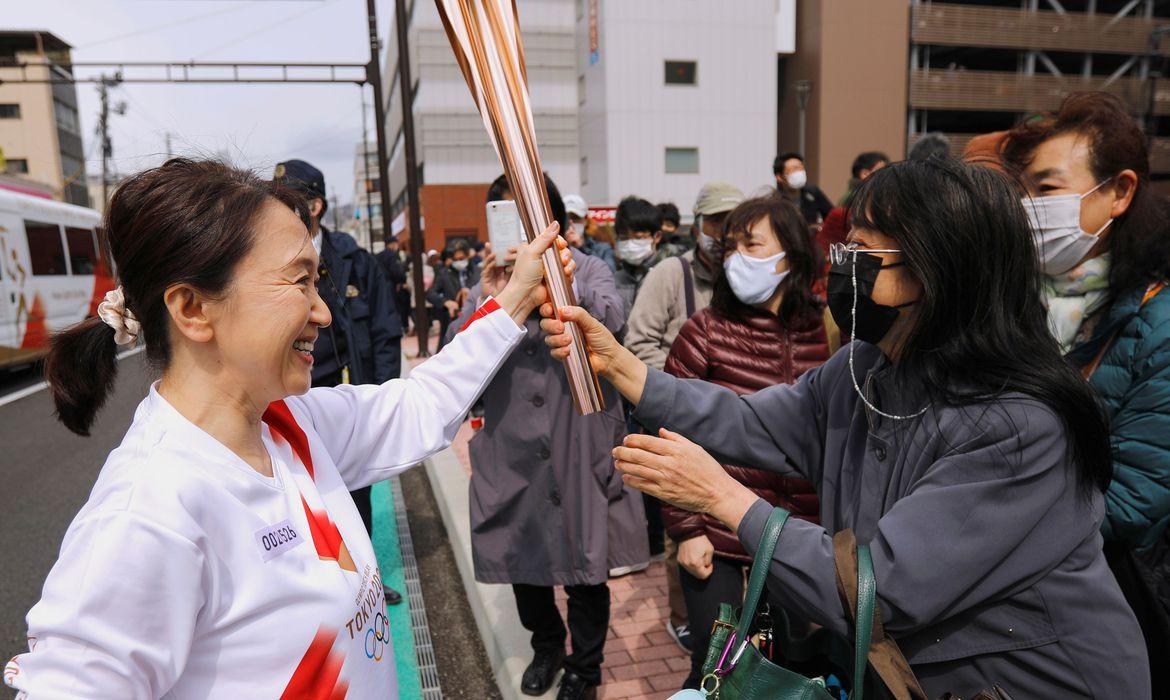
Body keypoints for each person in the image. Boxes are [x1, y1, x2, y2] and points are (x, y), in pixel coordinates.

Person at [541, 158, 1149, 699]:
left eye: (864, 254)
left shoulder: (1019, 426)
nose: (843, 270)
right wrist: (622, 366)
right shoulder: (865, 367)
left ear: (941, 271)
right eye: (844, 251)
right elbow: (753, 419)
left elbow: (879, 592)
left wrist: (723, 498)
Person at [6, 158, 573, 698]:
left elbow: (418, 405)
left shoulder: (288, 425)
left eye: (317, 280)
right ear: (193, 309)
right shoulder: (147, 515)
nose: (322, 311)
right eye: (298, 282)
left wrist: (516, 295)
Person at [447, 174, 647, 700]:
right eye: (501, 214)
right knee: (523, 562)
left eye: (521, 213)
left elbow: (611, 316)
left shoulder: (589, 269)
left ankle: (585, 667)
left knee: (587, 566)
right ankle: (547, 646)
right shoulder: (489, 279)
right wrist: (489, 301)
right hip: (513, 450)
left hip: (579, 442)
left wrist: (559, 284)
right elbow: (456, 364)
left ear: (547, 218)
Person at [1003, 91, 1170, 693]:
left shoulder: (1158, 321)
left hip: (1103, 598)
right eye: (1024, 191)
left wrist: (996, 537)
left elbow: (1137, 496)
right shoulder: (1015, 304)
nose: (1029, 209)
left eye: (1046, 190)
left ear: (1120, 192)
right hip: (1012, 600)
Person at [662, 194, 829, 689]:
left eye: (751, 245)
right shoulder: (704, 331)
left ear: (791, 256)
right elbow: (667, 435)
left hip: (794, 537)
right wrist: (687, 530)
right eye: (730, 245)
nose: (734, 257)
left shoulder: (826, 331)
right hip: (717, 536)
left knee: (786, 666)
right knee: (715, 666)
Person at [621, 182, 744, 651]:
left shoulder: (744, 277)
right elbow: (639, 342)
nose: (725, 233)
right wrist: (687, 387)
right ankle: (685, 618)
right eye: (716, 222)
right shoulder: (671, 275)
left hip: (739, 429)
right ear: (698, 224)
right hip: (683, 426)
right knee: (686, 532)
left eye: (734, 223)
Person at [275, 159, 403, 567]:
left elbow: (385, 331)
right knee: (302, 496)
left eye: (289, 200)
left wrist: (381, 398)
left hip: (348, 393)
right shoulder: (268, 261)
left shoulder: (355, 259)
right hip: (294, 398)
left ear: (315, 206)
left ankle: (364, 580)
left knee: (354, 493)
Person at [819, 151, 889, 260]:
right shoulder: (859, 199)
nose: (887, 176)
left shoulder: (860, 195)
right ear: (864, 173)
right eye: (882, 171)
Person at [612, 195, 664, 313]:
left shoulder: (669, 276)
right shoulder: (614, 279)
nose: (630, 244)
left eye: (638, 237)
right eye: (624, 238)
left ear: (657, 237)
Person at [773, 152, 833, 229]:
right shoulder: (775, 201)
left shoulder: (813, 193)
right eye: (794, 169)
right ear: (779, 177)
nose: (800, 172)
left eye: (801, 168)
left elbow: (831, 216)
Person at [564, 193, 616, 272]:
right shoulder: (554, 248)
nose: (571, 222)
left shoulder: (603, 249)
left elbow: (609, 274)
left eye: (575, 218)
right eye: (567, 218)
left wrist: (581, 247)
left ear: (585, 219)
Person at [426, 248, 464, 352]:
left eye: (461, 258)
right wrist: (445, 302)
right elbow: (430, 294)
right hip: (451, 319)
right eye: (455, 259)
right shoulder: (444, 274)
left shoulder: (470, 272)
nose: (459, 261)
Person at [376, 236, 413, 333]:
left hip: (381, 284)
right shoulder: (392, 255)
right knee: (395, 307)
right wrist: (401, 281)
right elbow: (395, 271)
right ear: (393, 244)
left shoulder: (379, 255)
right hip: (391, 284)